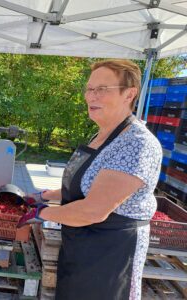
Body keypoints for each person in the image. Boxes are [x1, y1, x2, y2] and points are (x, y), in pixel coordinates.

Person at [18, 59, 162, 300]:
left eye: (102, 89)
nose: (90, 96)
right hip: (83, 247)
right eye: (89, 88)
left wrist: (40, 213)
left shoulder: (137, 143)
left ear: (130, 94)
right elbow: (86, 187)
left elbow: (92, 210)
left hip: (111, 255)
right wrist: (45, 195)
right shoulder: (101, 135)